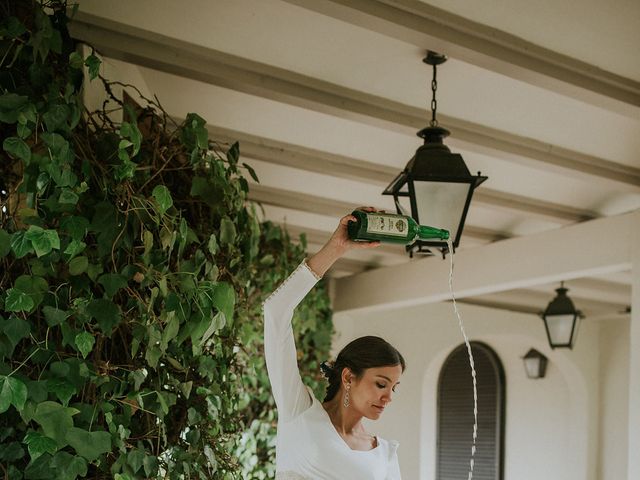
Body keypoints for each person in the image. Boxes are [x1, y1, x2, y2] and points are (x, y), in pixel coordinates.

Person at [263, 209, 406, 479]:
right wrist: (337, 247)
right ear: (349, 376)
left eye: (393, 387)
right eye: (381, 384)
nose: (388, 398)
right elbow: (276, 312)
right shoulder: (299, 413)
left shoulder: (384, 454)